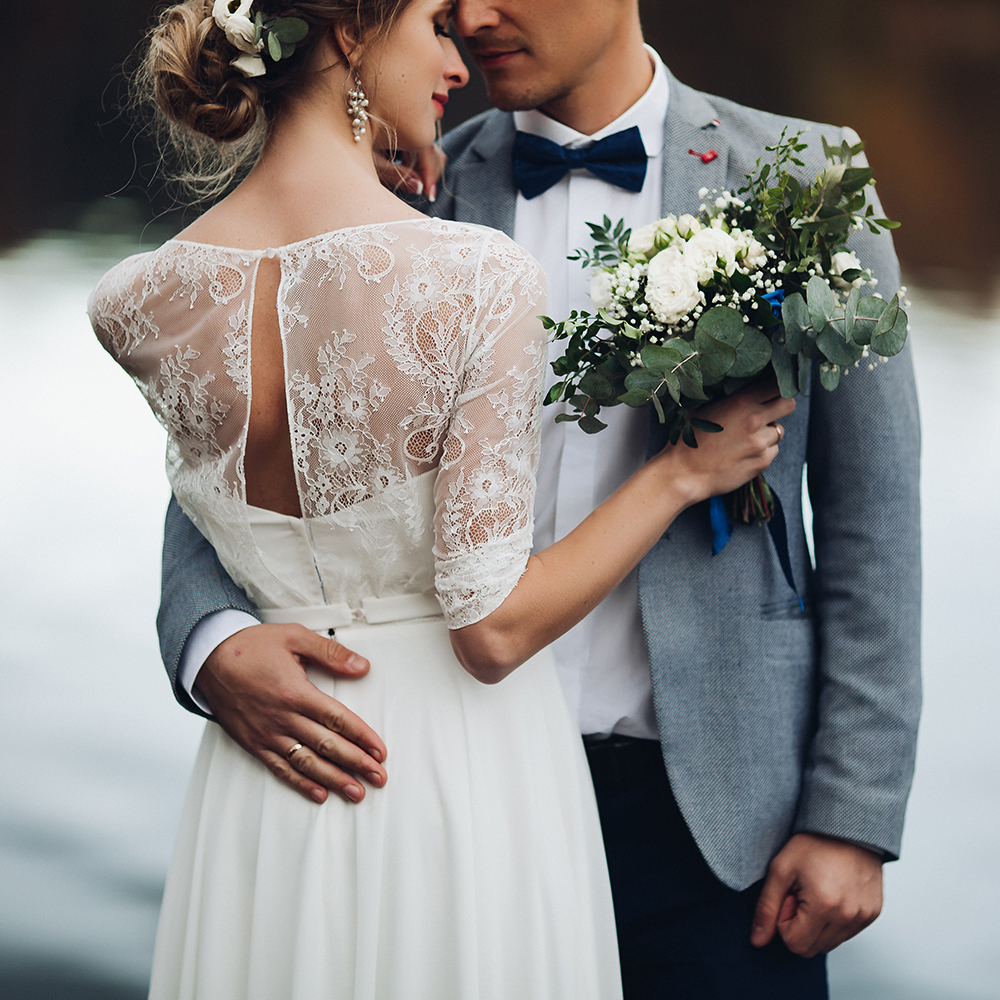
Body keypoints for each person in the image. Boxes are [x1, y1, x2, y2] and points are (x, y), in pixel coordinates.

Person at [153, 1, 921, 997]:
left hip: (720, 829)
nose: (472, 16)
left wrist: (851, 814)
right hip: (436, 799)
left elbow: (875, 526)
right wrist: (209, 640)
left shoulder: (809, 180)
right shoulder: (396, 180)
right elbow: (229, 463)